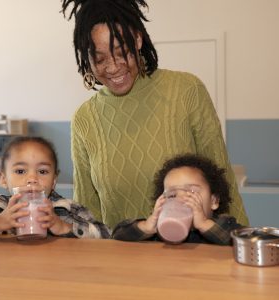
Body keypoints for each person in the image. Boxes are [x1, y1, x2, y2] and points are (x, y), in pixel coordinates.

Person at [61, 0, 249, 229]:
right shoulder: (84, 119)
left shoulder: (186, 90)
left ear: (138, 39)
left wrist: (240, 242)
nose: (112, 67)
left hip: (193, 253)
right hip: (121, 258)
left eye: (122, 52)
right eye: (100, 59)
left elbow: (223, 179)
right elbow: (87, 211)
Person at [0, 136, 110, 239]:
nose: (32, 179)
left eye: (42, 171)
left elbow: (106, 234)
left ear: (53, 180)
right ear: (3, 179)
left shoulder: (67, 208)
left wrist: (63, 227)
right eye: (20, 171)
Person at [112, 154, 243, 245]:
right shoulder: (158, 233)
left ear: (214, 201)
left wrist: (204, 224)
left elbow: (244, 241)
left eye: (191, 191)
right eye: (172, 194)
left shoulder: (223, 224)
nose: (180, 199)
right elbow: (118, 234)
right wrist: (147, 227)